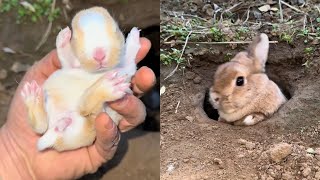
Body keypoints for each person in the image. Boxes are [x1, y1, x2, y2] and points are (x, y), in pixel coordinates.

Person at [0, 38, 155, 180]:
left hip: (62, 122)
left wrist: (16, 160)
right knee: (88, 111)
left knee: (53, 121)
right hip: (76, 123)